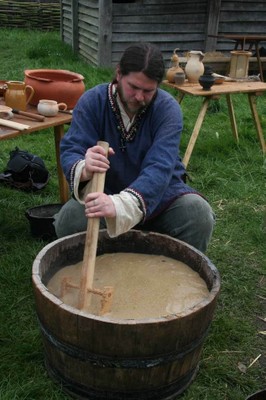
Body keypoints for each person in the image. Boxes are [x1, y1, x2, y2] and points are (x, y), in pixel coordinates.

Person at [54, 42, 215, 253]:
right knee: (70, 219)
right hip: (105, 194)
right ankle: (102, 272)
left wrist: (122, 205)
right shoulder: (93, 101)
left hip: (159, 199)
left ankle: (169, 278)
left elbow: (160, 166)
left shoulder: (167, 110)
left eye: (148, 90)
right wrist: (85, 167)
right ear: (119, 74)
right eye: (133, 87)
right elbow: (72, 148)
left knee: (198, 215)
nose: (139, 97)